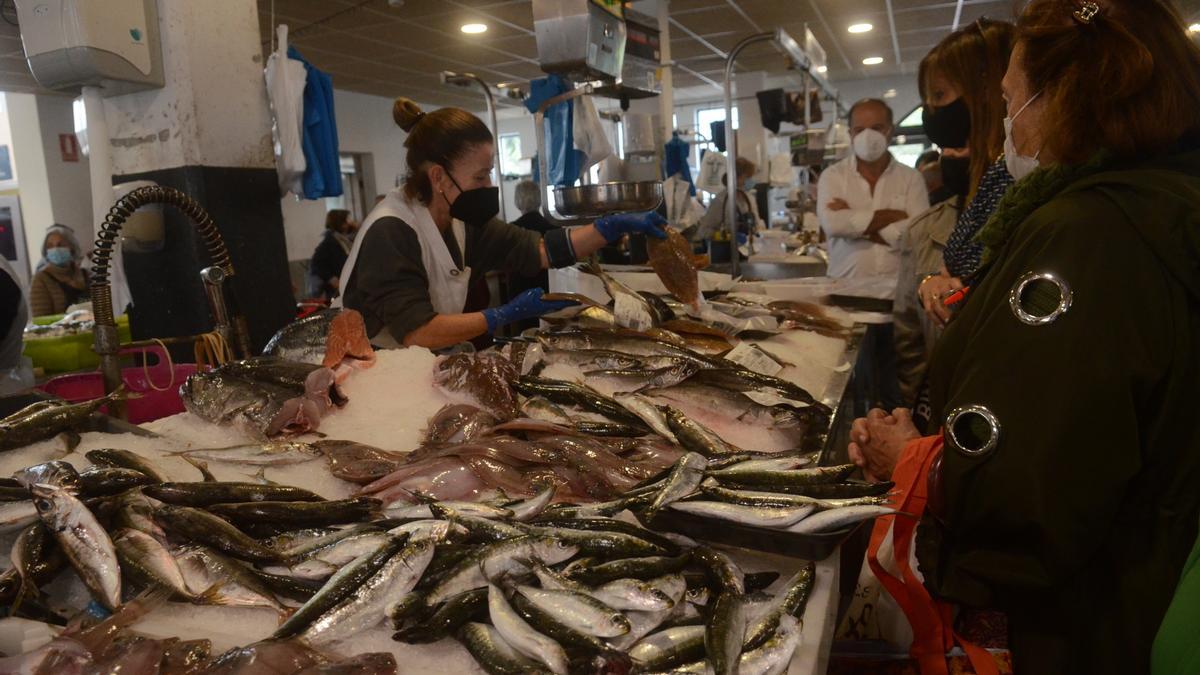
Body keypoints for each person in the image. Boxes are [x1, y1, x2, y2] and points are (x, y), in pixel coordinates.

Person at [849, 1, 1200, 671]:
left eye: (1010, 100)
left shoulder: (1086, 232)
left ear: (1066, 95)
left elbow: (1026, 487)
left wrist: (909, 457)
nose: (1007, 123)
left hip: (1085, 620)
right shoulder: (1162, 200)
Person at [337, 98, 666, 350]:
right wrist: (501, 316)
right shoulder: (392, 231)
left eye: (490, 172)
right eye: (480, 176)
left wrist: (609, 227)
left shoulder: (461, 220)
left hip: (412, 367)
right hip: (369, 374)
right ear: (438, 177)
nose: (489, 184)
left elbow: (539, 249)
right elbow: (417, 331)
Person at [894, 19, 1016, 407]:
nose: (932, 116)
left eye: (941, 96)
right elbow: (912, 350)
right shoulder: (931, 228)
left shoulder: (1034, 218)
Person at [818, 98, 929, 413]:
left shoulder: (911, 178)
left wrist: (856, 221)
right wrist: (891, 218)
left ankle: (898, 459)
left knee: (898, 396)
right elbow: (831, 223)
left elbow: (917, 232)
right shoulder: (832, 177)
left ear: (890, 130)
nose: (868, 135)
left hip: (898, 302)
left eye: (877, 127)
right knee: (850, 394)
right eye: (860, 128)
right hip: (846, 301)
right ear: (850, 133)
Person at [689, 156, 761, 244]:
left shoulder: (750, 198)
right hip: (728, 251)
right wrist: (725, 236)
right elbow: (703, 231)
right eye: (748, 177)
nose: (751, 180)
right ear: (737, 177)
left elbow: (756, 224)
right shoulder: (721, 200)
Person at [29, 225, 89, 317]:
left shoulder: (86, 274)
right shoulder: (41, 280)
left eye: (60, 245)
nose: (55, 249)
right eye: (50, 246)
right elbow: (41, 319)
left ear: (72, 247)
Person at [308, 209, 358, 300]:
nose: (349, 223)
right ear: (341, 223)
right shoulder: (330, 241)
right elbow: (316, 264)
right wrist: (332, 279)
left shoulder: (342, 239)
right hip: (336, 290)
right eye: (346, 220)